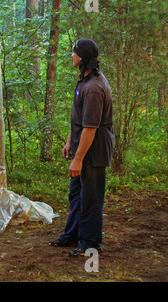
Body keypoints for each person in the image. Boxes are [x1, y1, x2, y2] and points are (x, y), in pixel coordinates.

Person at [49, 39, 114, 256]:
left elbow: (91, 127)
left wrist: (78, 158)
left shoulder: (95, 87)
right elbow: (79, 118)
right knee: (76, 194)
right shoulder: (84, 81)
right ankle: (73, 234)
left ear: (83, 58)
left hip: (93, 152)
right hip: (81, 146)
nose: (71, 54)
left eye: (74, 52)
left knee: (91, 197)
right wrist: (70, 141)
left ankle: (90, 242)